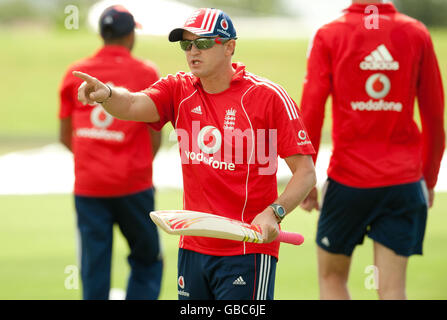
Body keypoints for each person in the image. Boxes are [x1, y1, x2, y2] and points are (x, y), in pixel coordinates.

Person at [73, 8, 316, 300]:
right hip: (192, 248)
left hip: (246, 249)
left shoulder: (268, 97)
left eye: (202, 43)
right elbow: (132, 105)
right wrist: (108, 95)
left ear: (229, 47)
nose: (192, 52)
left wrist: (274, 213)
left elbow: (306, 172)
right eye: (186, 44)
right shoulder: (178, 89)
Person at [299, 0, 445, 300]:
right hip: (403, 183)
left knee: (332, 279)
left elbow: (311, 115)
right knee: (392, 289)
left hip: (348, 181)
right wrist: (428, 181)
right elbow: (434, 119)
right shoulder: (416, 33)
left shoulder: (330, 33)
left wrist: (306, 181)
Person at [59, 5, 163, 300]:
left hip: (89, 186)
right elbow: (155, 131)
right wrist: (138, 162)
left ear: (102, 34)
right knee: (147, 259)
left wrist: (92, 160)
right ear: (130, 35)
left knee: (94, 267)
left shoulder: (74, 73)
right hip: (134, 184)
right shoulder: (146, 72)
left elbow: (66, 136)